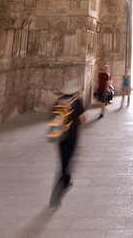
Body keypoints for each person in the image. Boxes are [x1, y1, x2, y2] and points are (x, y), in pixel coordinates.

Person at [51, 79, 86, 211]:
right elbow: (83, 119)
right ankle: (54, 198)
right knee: (66, 164)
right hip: (71, 136)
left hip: (59, 136)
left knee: (63, 160)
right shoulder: (76, 102)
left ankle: (66, 180)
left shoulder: (59, 101)